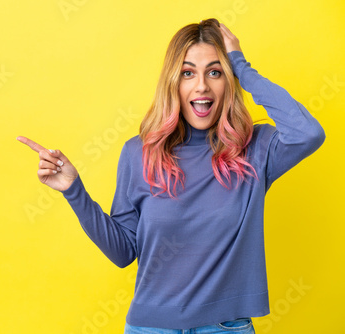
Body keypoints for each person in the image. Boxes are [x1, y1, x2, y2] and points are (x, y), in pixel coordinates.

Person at [17, 19, 325, 334]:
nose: (202, 85)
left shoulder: (255, 150)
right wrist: (74, 190)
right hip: (150, 327)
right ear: (173, 83)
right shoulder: (138, 153)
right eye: (188, 73)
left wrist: (242, 67)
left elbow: (308, 133)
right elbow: (123, 252)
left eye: (215, 72)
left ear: (227, 80)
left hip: (223, 327)